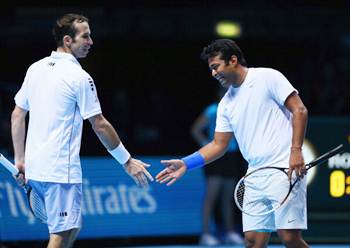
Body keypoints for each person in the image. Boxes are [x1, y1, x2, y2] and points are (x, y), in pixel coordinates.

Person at [11, 13, 153, 248]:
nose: (91, 41)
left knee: (73, 226)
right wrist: (127, 161)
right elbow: (99, 124)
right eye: (85, 36)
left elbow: (17, 115)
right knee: (60, 234)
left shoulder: (35, 69)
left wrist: (20, 160)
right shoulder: (79, 77)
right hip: (60, 171)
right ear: (68, 40)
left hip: (36, 167)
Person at [156, 39, 309, 248]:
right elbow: (218, 145)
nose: (213, 73)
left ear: (233, 60)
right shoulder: (225, 104)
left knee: (289, 238)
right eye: (211, 68)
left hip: (285, 169)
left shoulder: (267, 77)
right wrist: (186, 163)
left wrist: (296, 151)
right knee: (252, 241)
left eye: (215, 66)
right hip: (254, 175)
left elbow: (299, 110)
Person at [191, 87, 245, 245]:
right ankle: (206, 234)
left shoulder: (237, 111)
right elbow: (195, 130)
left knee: (228, 197)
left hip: (231, 156)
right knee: (212, 195)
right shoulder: (212, 110)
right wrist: (206, 146)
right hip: (215, 157)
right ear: (219, 94)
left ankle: (229, 232)